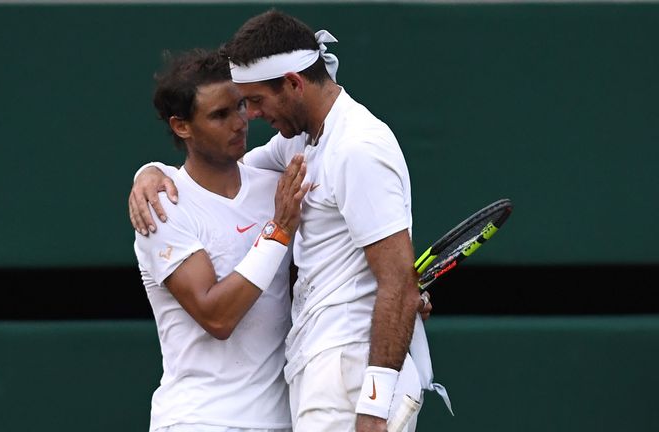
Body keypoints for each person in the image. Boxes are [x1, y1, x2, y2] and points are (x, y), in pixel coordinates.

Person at [130, 10, 449, 432]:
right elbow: (226, 174)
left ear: (294, 84)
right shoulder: (295, 148)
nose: (250, 118)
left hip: (345, 378)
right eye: (229, 110)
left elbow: (396, 285)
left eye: (252, 102)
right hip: (262, 398)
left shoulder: (355, 147)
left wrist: (374, 406)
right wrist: (150, 172)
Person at [134, 47, 311, 432]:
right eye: (220, 115)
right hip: (198, 421)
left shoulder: (273, 186)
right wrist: (278, 232)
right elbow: (217, 316)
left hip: (281, 421)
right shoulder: (162, 210)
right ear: (182, 126)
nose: (240, 123)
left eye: (241, 107)